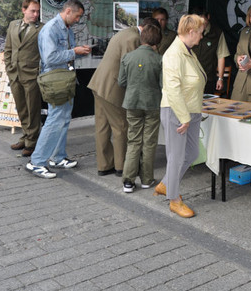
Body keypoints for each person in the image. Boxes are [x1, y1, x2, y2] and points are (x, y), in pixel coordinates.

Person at [26, 0, 90, 179]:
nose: (78, 20)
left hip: (65, 79)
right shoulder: (51, 29)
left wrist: (76, 51)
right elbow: (50, 58)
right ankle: (37, 162)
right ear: (68, 11)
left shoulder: (66, 27)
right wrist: (74, 52)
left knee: (63, 118)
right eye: (77, 16)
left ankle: (57, 157)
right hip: (55, 81)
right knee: (55, 120)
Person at [88, 17, 160, 177]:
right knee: (121, 126)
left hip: (99, 84)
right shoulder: (134, 38)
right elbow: (131, 67)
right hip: (112, 88)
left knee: (102, 127)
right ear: (147, 29)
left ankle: (104, 165)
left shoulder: (126, 32)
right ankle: (121, 166)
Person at [154, 14, 206, 218]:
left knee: (192, 154)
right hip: (177, 112)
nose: (202, 37)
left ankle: (166, 184)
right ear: (191, 32)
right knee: (175, 158)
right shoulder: (174, 54)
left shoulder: (188, 52)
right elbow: (173, 90)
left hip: (191, 111)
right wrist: (184, 117)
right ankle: (174, 200)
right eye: (201, 33)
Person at [118, 24, 163, 193]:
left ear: (142, 38)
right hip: (152, 104)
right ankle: (146, 179)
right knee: (149, 142)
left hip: (132, 103)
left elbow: (121, 82)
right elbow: (163, 84)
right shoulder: (159, 59)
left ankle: (128, 181)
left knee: (133, 141)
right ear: (157, 41)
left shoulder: (128, 57)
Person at [4, 0, 43, 157]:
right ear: (24, 10)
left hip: (32, 74)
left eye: (38, 11)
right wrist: (9, 67)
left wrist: (39, 71)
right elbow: (8, 48)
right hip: (15, 73)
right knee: (21, 108)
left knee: (33, 109)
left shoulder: (41, 28)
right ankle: (25, 136)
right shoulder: (13, 25)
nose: (36, 14)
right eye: (33, 11)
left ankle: (32, 141)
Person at [190, 7, 231, 95]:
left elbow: (221, 56)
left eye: (202, 20)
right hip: (191, 78)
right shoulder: (190, 31)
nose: (200, 24)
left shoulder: (217, 33)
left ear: (208, 17)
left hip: (208, 78)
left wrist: (220, 79)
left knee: (207, 105)